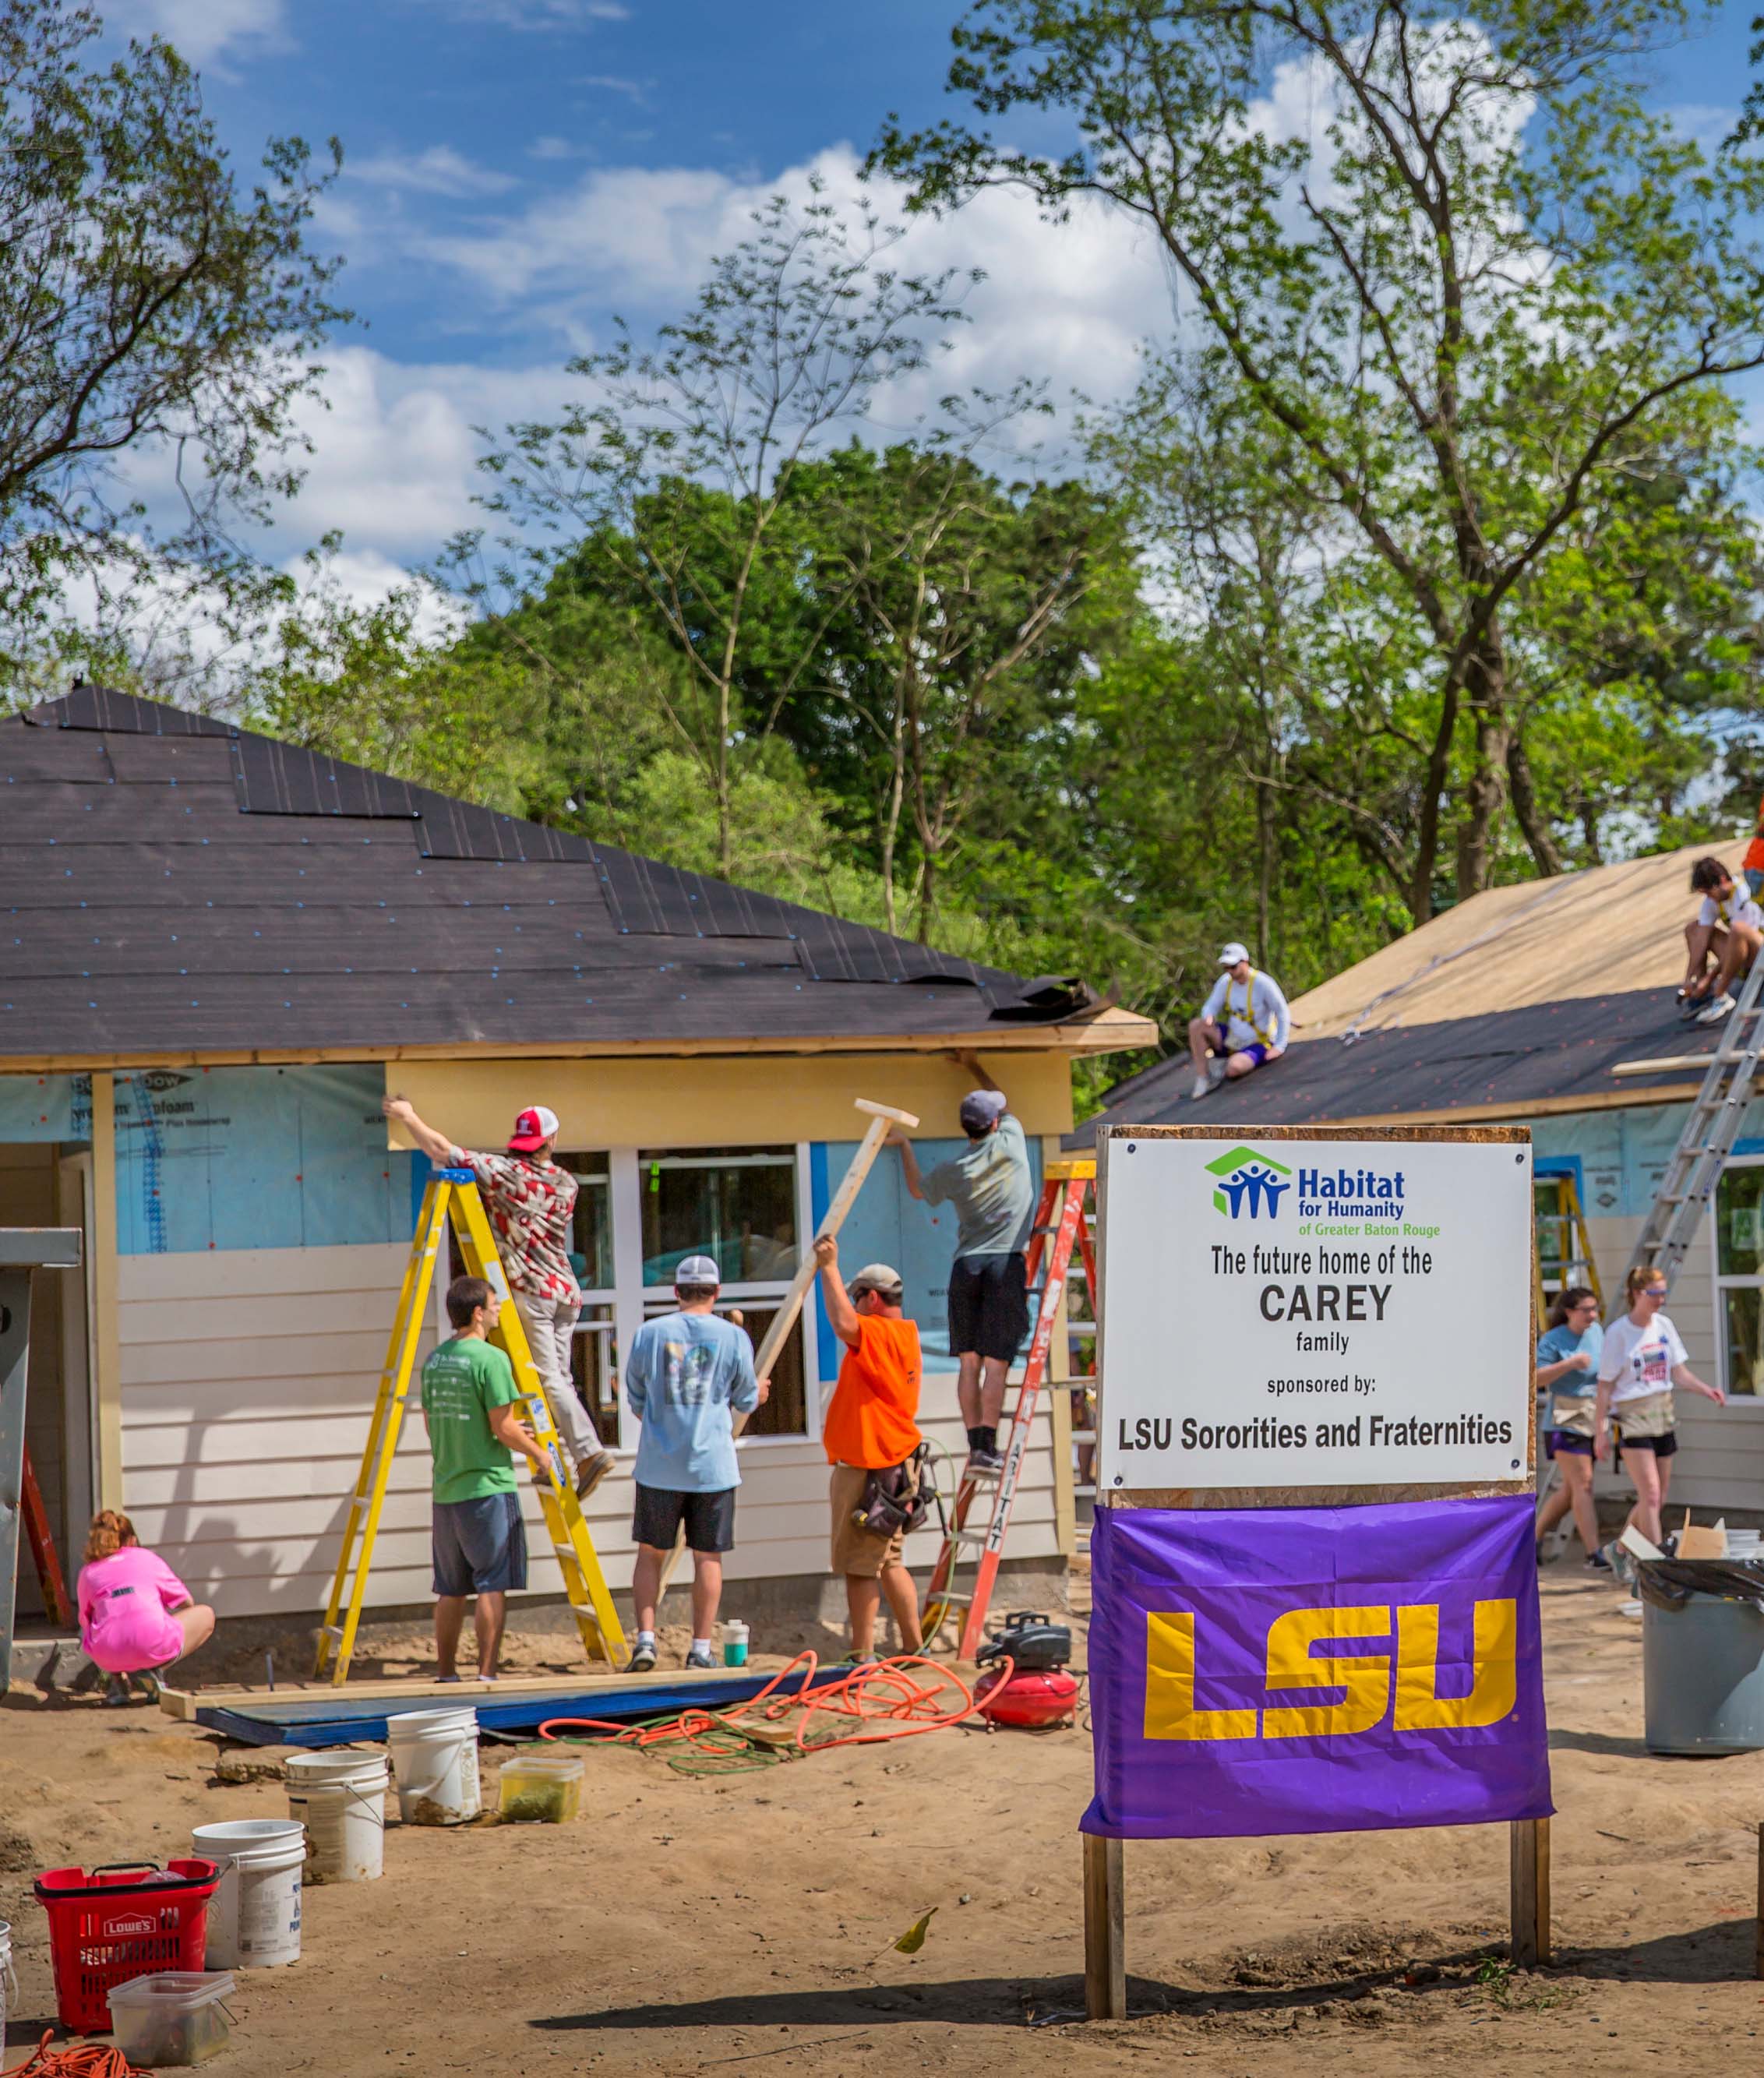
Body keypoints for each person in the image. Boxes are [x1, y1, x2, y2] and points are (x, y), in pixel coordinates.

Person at [383, 1093, 615, 1500]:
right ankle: (555, 1457)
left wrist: (408, 1117)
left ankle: (589, 1453)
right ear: (552, 1141)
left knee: (547, 1378)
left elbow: (441, 1149)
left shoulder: (505, 1173)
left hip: (532, 1290)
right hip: (565, 1290)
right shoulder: (567, 1182)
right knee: (559, 1380)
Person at [890, 1056, 1032, 1474]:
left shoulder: (955, 1170)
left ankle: (977, 1449)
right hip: (1004, 1264)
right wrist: (973, 1065)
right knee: (997, 1363)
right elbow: (1003, 1103)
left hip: (965, 1268)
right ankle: (989, 1444)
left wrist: (905, 1146)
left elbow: (918, 1190)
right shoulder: (1011, 1138)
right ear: (993, 1123)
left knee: (969, 1362)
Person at [623, 1253, 764, 1673]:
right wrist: (760, 1395)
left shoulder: (649, 1333)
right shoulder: (733, 1337)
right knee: (708, 1558)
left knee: (650, 1555)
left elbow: (634, 1399)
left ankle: (646, 1641)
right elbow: (745, 1399)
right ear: (717, 1292)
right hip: (712, 1467)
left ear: (676, 1292)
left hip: (658, 1466)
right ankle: (700, 1649)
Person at [420, 1274, 551, 1681]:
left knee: (451, 1588)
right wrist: (540, 1455)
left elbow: (434, 1422)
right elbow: (503, 1427)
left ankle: (446, 1674)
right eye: (493, 1305)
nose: (498, 1311)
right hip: (488, 1488)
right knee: (492, 1583)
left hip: (447, 1489)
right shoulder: (491, 1359)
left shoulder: (436, 1360)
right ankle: (487, 1674)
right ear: (477, 1313)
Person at [810, 1236, 925, 1661]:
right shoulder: (906, 1335)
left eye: (858, 1299)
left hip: (870, 1466)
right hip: (892, 1464)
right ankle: (914, 1649)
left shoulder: (879, 1333)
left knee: (861, 1567)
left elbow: (843, 1324)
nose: (854, 1305)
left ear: (872, 1299)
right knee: (890, 1560)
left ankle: (862, 1656)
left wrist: (829, 1267)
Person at [1594, 1265, 1725, 1549]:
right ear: (1638, 1294)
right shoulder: (1619, 1333)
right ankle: (1657, 1558)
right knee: (1650, 1493)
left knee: (1658, 1496)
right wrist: (1600, 1432)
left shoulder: (1663, 1325)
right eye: (1656, 1294)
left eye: (1663, 1293)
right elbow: (1604, 1386)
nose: (1661, 1300)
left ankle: (1620, 1549)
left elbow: (1679, 1373)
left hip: (1663, 1413)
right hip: (1632, 1417)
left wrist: (1706, 1390)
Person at [76, 1511, 215, 1706]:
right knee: (206, 1614)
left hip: (108, 1653)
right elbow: (187, 1603)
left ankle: (118, 1683)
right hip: (151, 1643)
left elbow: (85, 1619)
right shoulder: (146, 1558)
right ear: (132, 1540)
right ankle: (154, 1671)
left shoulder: (88, 1572)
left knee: (92, 1628)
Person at [1533, 1286, 1607, 1570]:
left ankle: (1534, 1537)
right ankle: (1594, 1553)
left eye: (1594, 1308)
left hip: (1593, 1416)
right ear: (1569, 1312)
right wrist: (1570, 1364)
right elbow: (1537, 1378)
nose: (1592, 1314)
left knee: (1570, 1490)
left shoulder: (1596, 1332)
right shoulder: (1553, 1339)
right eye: (1585, 1309)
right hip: (1564, 1418)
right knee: (1584, 1485)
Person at [1188, 942, 1291, 1100]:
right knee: (1196, 1026)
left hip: (1257, 1042)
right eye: (1226, 968)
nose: (1230, 971)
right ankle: (1204, 1078)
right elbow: (1210, 1006)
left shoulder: (1263, 983)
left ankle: (1224, 1065)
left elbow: (1282, 1011)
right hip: (1233, 1038)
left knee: (1234, 1069)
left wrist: (1279, 1046)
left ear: (1245, 961)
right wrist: (1208, 1016)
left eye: (1233, 967)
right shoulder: (1225, 982)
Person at [1679, 858, 1763, 1025]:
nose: (1709, 898)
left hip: (1759, 954)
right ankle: (1702, 994)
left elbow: (1740, 941)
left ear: (1723, 881)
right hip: (1742, 958)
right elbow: (1701, 941)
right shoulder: (1712, 901)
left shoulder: (1743, 894)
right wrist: (1689, 978)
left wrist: (1711, 978)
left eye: (1709, 892)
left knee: (1738, 929)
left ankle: (1720, 994)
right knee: (1693, 929)